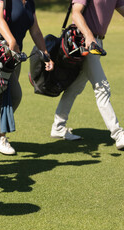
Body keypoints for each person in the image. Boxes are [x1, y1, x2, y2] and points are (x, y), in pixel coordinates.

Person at [50, 0, 124, 150]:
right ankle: (118, 134)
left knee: (75, 87)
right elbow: (76, 12)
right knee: (102, 88)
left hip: (97, 43)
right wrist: (89, 36)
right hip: (83, 41)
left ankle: (58, 126)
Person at [0, 0, 54, 155]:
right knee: (15, 95)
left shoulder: (29, 3)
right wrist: (12, 41)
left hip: (14, 56)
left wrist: (46, 54)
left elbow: (35, 31)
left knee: (4, 96)